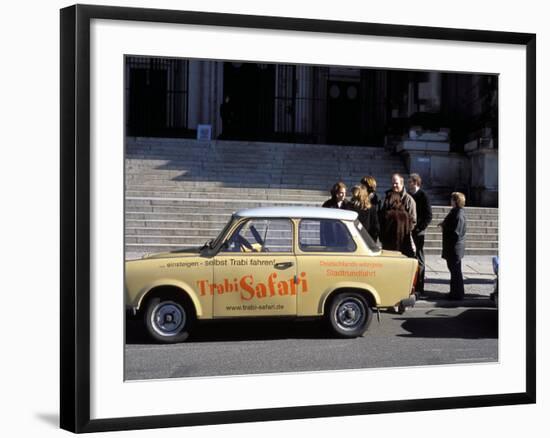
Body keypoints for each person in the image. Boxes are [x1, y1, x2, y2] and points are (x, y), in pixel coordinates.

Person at [439, 192, 467, 300]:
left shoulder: (459, 214)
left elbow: (456, 232)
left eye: (452, 199)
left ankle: (457, 294)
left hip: (454, 248)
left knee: (456, 272)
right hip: (453, 248)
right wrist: (444, 224)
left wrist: (445, 228)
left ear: (456, 201)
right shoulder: (455, 212)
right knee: (454, 271)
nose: (450, 201)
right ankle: (454, 292)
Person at [408, 173, 433, 297]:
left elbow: (429, 216)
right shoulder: (408, 195)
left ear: (416, 182)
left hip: (418, 232)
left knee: (419, 258)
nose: (409, 184)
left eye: (410, 182)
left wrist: (419, 228)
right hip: (409, 230)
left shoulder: (423, 196)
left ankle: (420, 286)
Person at [381, 173, 416, 257]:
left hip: (403, 240)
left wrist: (402, 229)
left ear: (402, 183)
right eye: (392, 183)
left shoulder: (409, 200)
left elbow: (413, 220)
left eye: (396, 183)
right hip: (388, 240)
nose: (394, 185)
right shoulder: (387, 198)